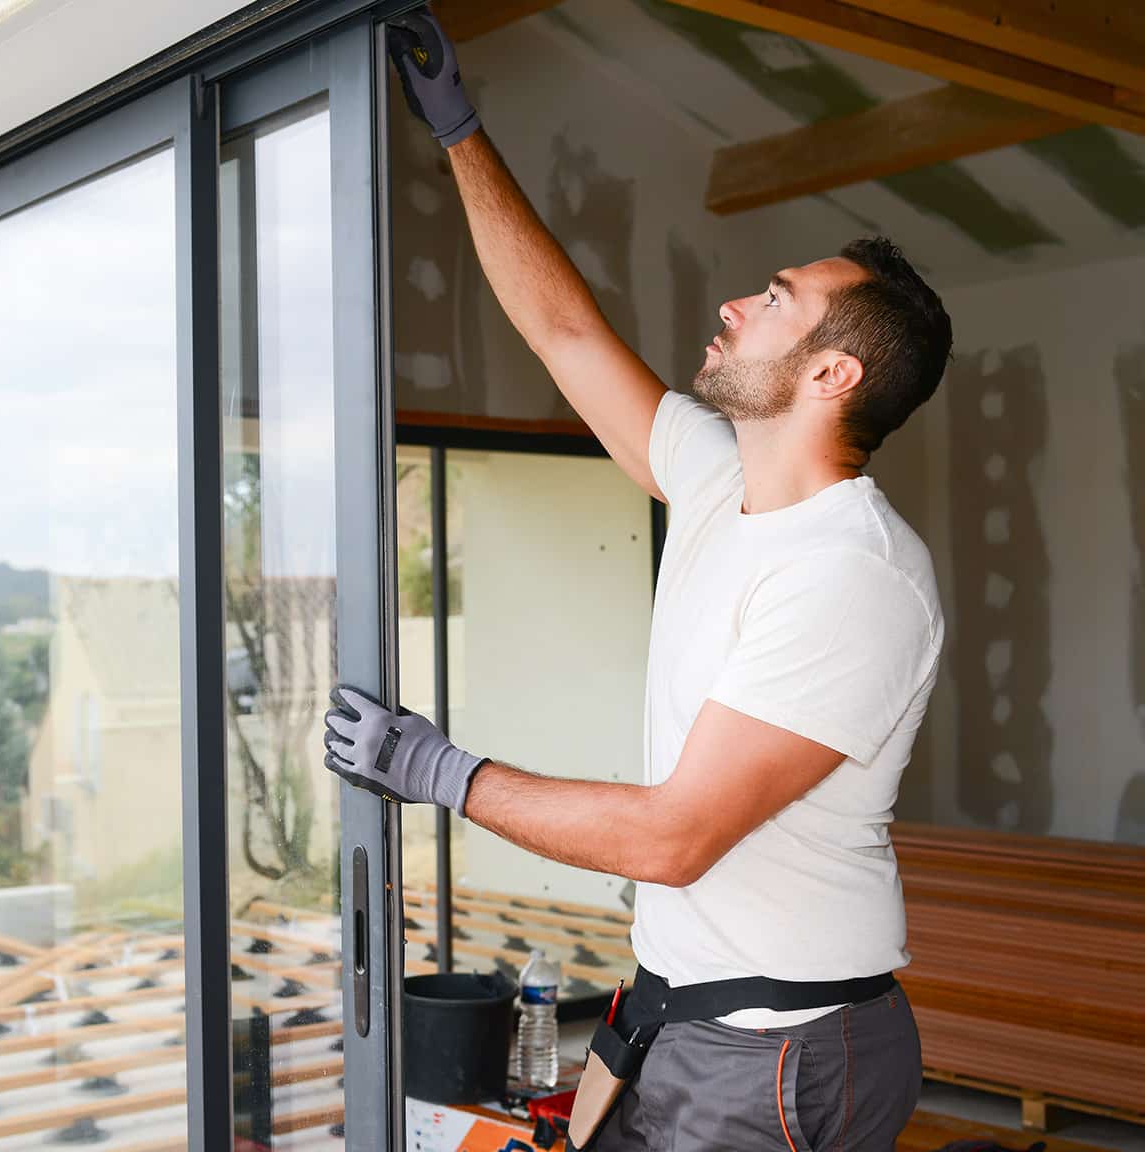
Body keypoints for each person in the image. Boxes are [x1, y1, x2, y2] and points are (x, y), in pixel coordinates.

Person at [321, 9, 954, 1151]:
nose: (733, 304)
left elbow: (673, 839)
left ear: (832, 374)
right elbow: (565, 333)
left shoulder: (853, 574)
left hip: (776, 1053)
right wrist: (459, 132)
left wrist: (439, 772)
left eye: (775, 299)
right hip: (676, 1019)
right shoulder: (720, 482)